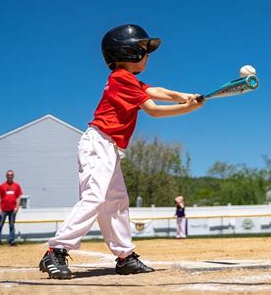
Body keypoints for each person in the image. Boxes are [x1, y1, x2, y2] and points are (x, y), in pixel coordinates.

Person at [39, 24, 203, 279]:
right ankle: (56, 249)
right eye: (142, 49)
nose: (147, 54)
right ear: (127, 52)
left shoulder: (128, 80)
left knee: (115, 202)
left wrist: (184, 96)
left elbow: (156, 91)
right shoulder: (121, 79)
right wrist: (187, 109)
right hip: (98, 143)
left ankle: (125, 257)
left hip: (108, 146)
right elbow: (153, 108)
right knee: (95, 197)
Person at [0, 170, 22, 246]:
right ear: (6, 176)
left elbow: (19, 197)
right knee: (0, 225)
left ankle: (12, 241)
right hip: (3, 210)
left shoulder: (17, 186)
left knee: (12, 225)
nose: (10, 176)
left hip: (12, 210)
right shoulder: (2, 186)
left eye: (11, 175)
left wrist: (17, 207)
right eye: (8, 175)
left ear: (13, 176)